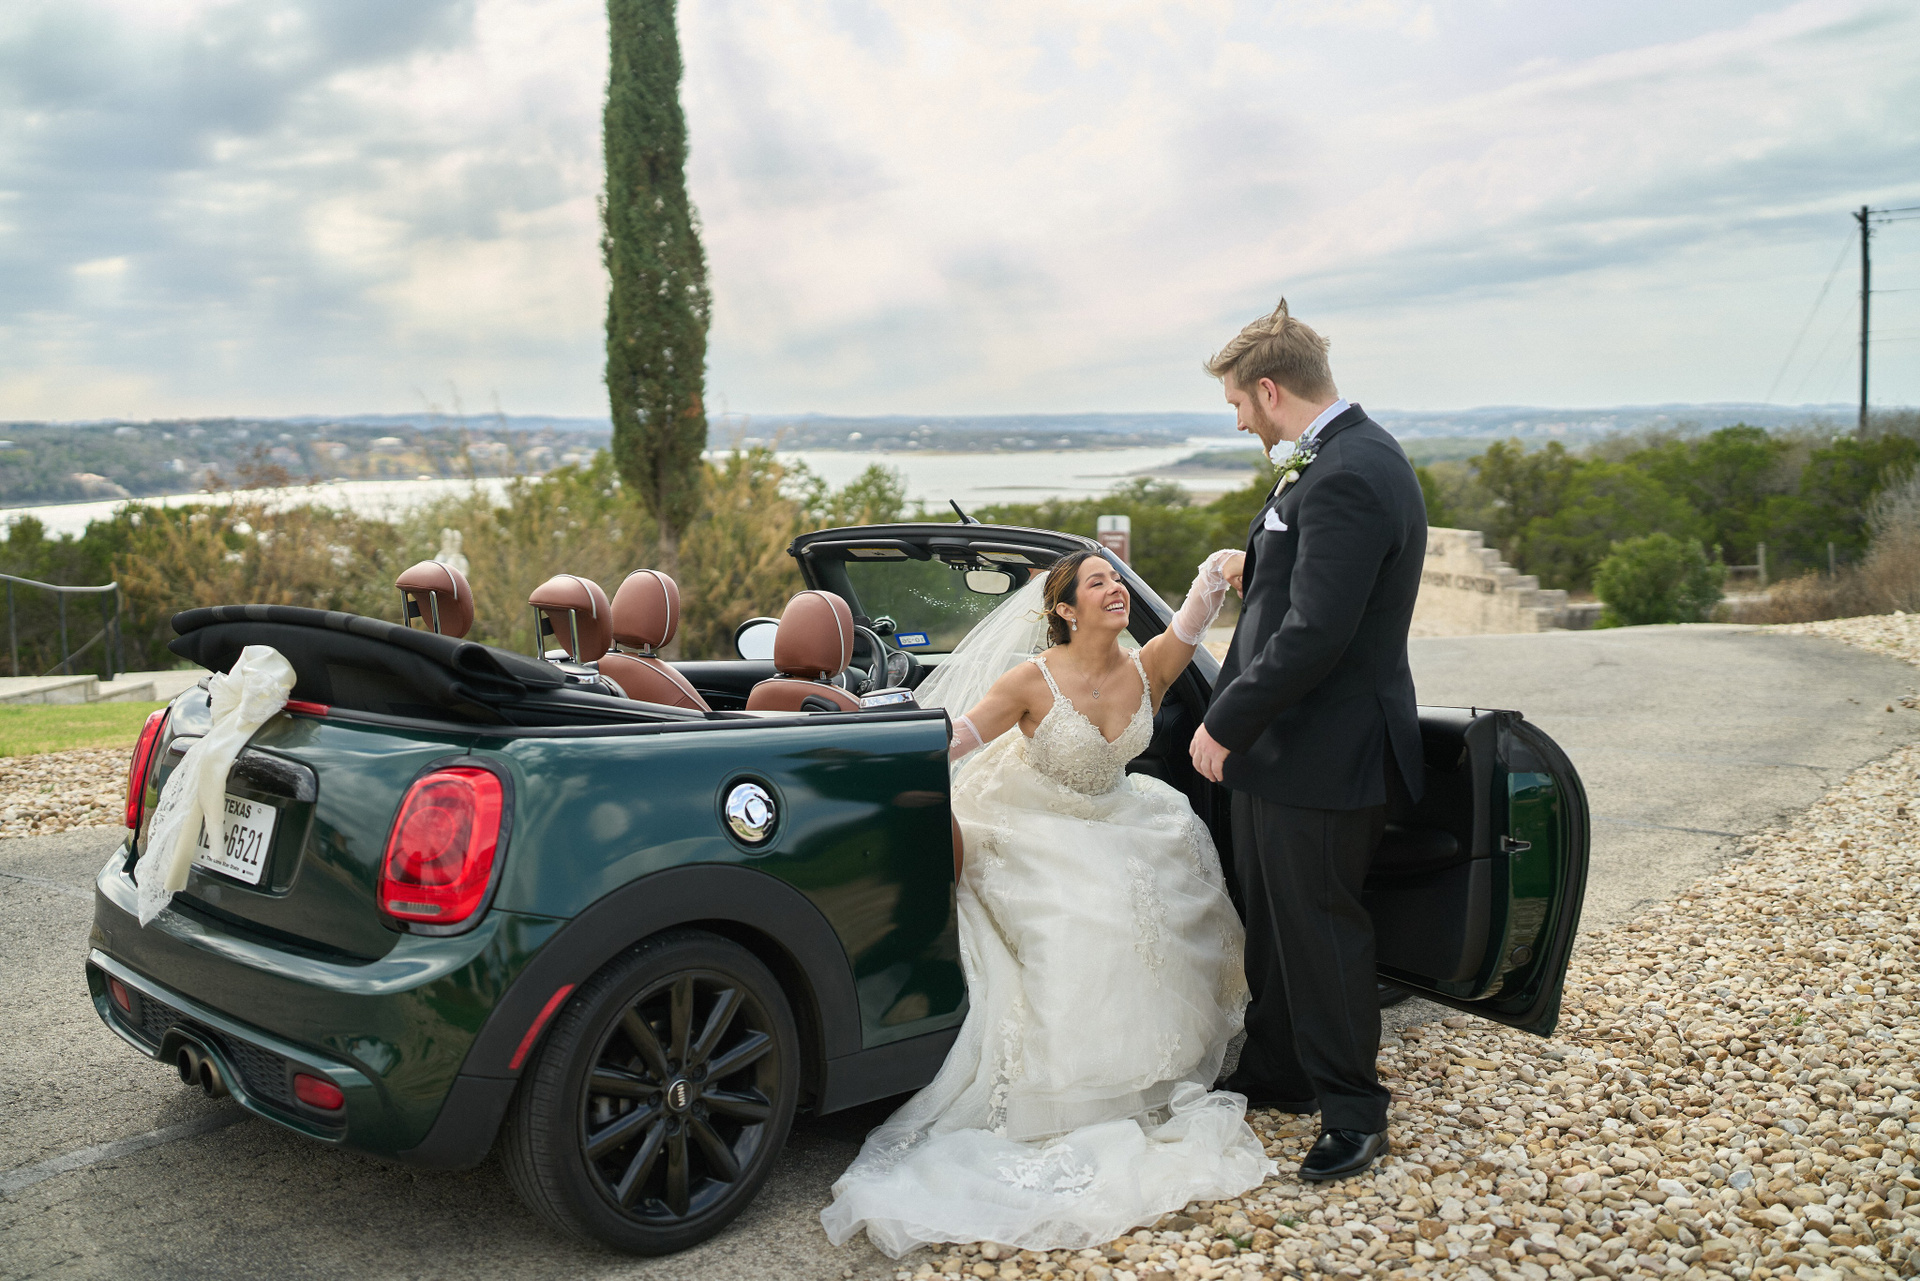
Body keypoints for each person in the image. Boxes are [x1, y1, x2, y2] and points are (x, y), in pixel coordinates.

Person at [821, 549, 1272, 1257]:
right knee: (1085, 915)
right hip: (1030, 821)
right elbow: (959, 739)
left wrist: (1215, 572)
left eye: (1117, 580)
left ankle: (1157, 1069)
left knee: (1159, 894)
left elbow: (1191, 622)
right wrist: (870, 768)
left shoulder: (1149, 666)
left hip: (1124, 817)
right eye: (1098, 582)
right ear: (1065, 609)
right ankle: (1073, 1088)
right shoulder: (1029, 680)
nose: (1115, 589)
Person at [1189, 298, 1428, 1183]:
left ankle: (1355, 1113)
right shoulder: (1328, 462)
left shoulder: (1352, 470)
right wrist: (1259, 561)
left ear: (1268, 389)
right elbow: (1320, 581)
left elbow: (1319, 631)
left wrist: (1226, 718)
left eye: (1236, 405)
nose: (1239, 422)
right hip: (1286, 752)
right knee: (1277, 924)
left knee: (1321, 931)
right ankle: (1280, 1071)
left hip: (1327, 753)